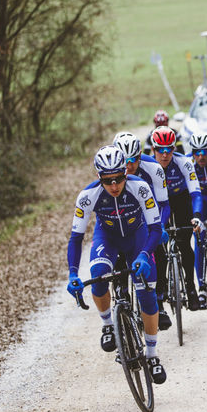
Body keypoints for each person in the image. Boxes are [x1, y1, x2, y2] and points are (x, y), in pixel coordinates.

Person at [66, 146, 167, 383]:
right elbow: (76, 238)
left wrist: (144, 254)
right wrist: (72, 273)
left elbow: (155, 228)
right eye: (107, 180)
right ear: (98, 177)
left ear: (125, 172)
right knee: (98, 275)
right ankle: (108, 325)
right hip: (108, 238)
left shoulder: (140, 188)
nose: (114, 186)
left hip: (138, 237)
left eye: (119, 178)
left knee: (146, 294)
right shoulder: (87, 196)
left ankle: (152, 356)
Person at [113, 131, 173, 330]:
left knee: (159, 252)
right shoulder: (110, 173)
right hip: (123, 217)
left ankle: (160, 301)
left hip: (148, 216)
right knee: (118, 253)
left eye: (134, 160)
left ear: (141, 155)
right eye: (125, 161)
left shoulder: (154, 168)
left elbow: (164, 204)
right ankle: (121, 292)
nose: (129, 166)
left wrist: (161, 226)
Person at [150, 126, 205, 312]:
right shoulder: (149, 166)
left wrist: (197, 216)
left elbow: (196, 193)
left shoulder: (184, 162)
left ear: (175, 148)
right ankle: (161, 287)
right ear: (153, 149)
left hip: (181, 200)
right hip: (158, 204)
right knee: (158, 249)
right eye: (160, 150)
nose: (165, 155)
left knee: (184, 245)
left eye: (169, 149)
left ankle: (191, 288)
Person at [188, 132, 207, 306]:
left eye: (204, 152)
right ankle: (201, 286)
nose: (200, 156)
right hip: (202, 202)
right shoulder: (189, 165)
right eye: (196, 153)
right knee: (199, 240)